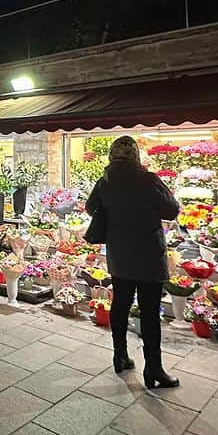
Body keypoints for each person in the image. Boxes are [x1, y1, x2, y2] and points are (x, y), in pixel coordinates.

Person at [85, 135, 181, 389]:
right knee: (149, 313)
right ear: (135, 155)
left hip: (120, 255)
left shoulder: (105, 181)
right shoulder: (149, 180)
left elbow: (90, 207)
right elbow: (171, 210)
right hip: (149, 256)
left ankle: (120, 356)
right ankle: (153, 368)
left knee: (120, 306)